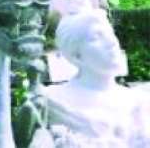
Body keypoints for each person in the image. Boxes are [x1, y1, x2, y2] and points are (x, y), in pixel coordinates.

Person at [43, 9, 150, 146]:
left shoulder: (139, 101)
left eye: (110, 33)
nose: (112, 42)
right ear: (77, 56)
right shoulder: (54, 100)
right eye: (96, 37)